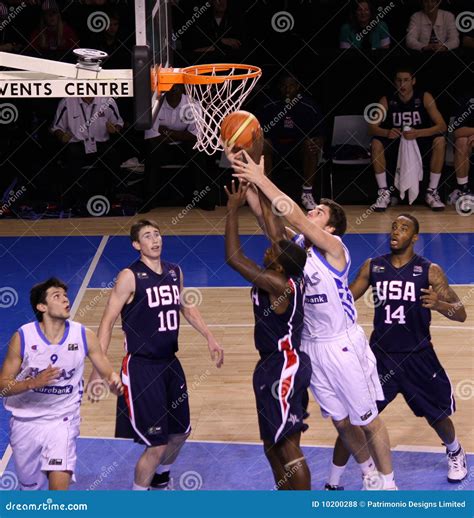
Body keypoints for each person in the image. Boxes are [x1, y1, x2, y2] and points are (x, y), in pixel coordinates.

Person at [230, 151, 397, 490]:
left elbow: (291, 214)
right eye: (313, 209)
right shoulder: (296, 247)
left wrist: (263, 179)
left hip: (343, 343)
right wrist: (245, 176)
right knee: (340, 420)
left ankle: (390, 485)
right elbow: (268, 216)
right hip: (311, 346)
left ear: (331, 226)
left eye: (319, 212)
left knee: (369, 420)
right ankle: (369, 475)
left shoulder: (335, 248)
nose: (311, 213)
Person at [327, 214, 468, 487]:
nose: (396, 232)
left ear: (414, 238)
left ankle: (455, 451)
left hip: (418, 357)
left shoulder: (430, 270)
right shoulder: (373, 267)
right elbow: (344, 299)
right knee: (356, 420)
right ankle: (334, 480)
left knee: (436, 414)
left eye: (404, 228)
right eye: (394, 227)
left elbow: (460, 313)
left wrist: (439, 304)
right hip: (380, 357)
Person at [86, 219, 224, 490]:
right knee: (156, 443)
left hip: (170, 364)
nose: (155, 239)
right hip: (141, 368)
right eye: (147, 236)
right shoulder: (129, 276)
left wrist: (209, 336)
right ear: (137, 245)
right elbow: (107, 322)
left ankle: (161, 478)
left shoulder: (175, 271)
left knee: (180, 433)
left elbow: (185, 305)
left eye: (157, 234)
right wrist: (98, 370)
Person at [224, 178, 312, 490]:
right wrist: (258, 179)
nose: (267, 248)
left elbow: (234, 258)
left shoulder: (277, 284)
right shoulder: (285, 271)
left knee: (287, 446)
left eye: (271, 251)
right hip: (275, 365)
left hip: (283, 365)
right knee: (272, 444)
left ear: (278, 264)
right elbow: (275, 229)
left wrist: (233, 210)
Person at [0, 277, 123, 490]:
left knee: (59, 493)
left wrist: (113, 382)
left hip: (62, 420)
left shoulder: (83, 335)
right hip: (25, 422)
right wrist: (33, 383)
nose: (65, 300)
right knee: (30, 490)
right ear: (42, 306)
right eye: (57, 296)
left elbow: (106, 369)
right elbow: (3, 386)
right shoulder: (23, 337)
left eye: (65, 296)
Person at [369, 66, 447, 211]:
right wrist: (386, 132)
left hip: (419, 140)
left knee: (440, 140)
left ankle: (432, 191)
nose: (402, 84)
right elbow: (372, 127)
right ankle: (384, 193)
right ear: (394, 82)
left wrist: (418, 133)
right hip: (396, 141)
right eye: (399, 80)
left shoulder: (424, 96)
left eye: (406, 80)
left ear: (413, 81)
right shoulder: (387, 99)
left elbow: (442, 126)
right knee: (376, 142)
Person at [142, 84, 215, 211]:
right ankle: (148, 200)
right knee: (152, 149)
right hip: (162, 147)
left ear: (182, 88)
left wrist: (169, 133)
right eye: (170, 87)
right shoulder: (155, 104)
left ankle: (203, 199)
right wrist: (179, 135)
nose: (173, 90)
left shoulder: (193, 105)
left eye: (176, 87)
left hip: (185, 147)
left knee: (198, 150)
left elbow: (196, 136)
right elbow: (151, 136)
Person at [259, 75, 325, 210]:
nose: (287, 89)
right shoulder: (269, 104)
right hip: (276, 145)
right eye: (284, 86)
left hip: (298, 146)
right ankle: (268, 193)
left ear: (298, 87)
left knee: (310, 145)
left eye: (291, 86)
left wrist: (319, 141)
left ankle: (307, 193)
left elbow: (321, 133)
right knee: (263, 144)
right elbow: (258, 130)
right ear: (279, 88)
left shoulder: (309, 105)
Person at [51, 96, 123, 212]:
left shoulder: (107, 100)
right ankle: (71, 202)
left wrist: (115, 129)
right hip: (77, 144)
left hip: (100, 143)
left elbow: (118, 123)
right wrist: (62, 136)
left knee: (113, 157)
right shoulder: (66, 102)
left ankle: (112, 198)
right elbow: (56, 128)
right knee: (69, 160)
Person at [448, 94, 473, 211]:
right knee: (461, 142)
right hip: (470, 142)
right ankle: (464, 191)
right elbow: (456, 132)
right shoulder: (469, 101)